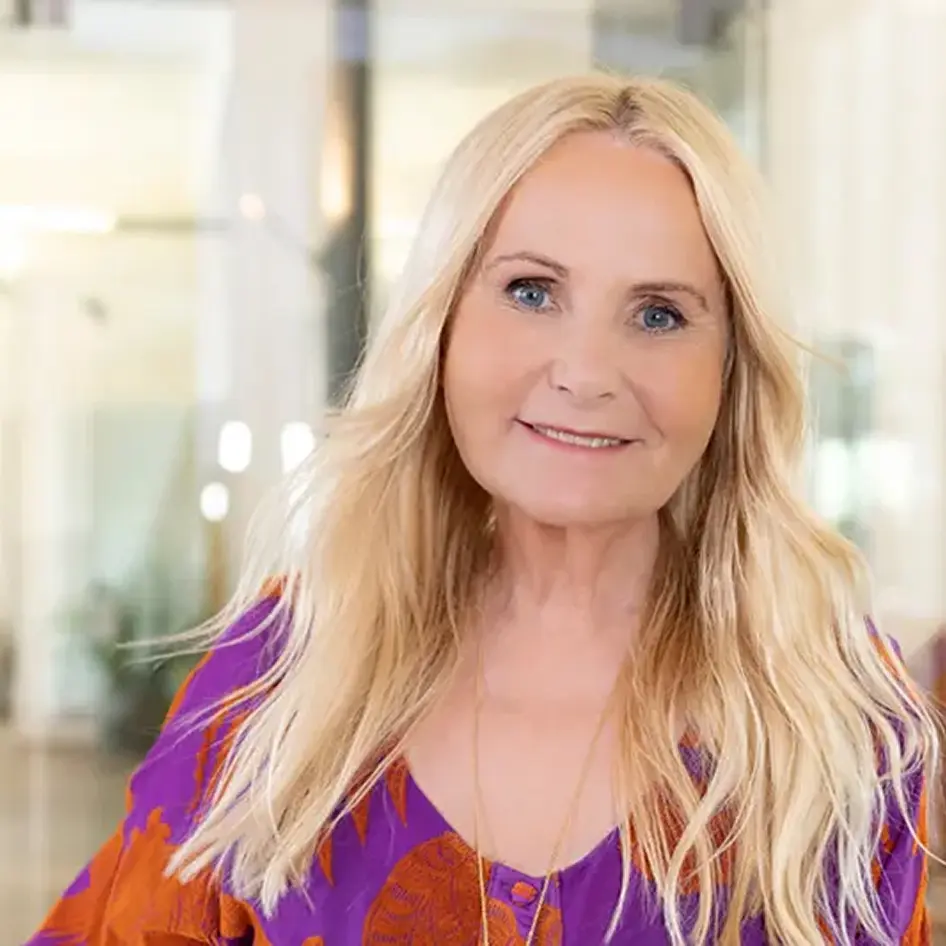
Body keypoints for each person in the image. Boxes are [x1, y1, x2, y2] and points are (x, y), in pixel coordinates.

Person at [26, 73, 935, 946]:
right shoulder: (280, 675)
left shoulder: (836, 719)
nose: (585, 373)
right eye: (531, 291)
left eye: (658, 314)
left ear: (731, 368)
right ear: (442, 326)